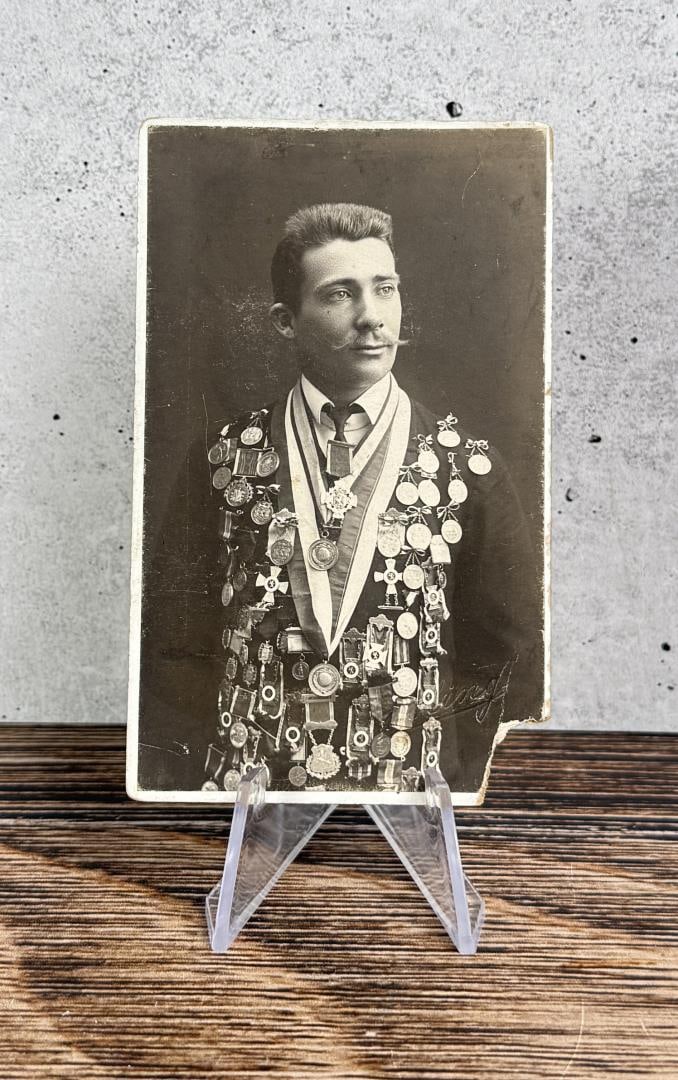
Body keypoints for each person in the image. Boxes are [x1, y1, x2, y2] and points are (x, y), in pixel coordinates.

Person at [138, 202, 541, 797]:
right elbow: (174, 645)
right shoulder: (221, 458)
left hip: (412, 798)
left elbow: (511, 657)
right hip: (242, 794)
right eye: (339, 295)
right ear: (285, 320)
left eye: (385, 289)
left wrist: (456, 783)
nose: (372, 318)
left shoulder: (466, 464)